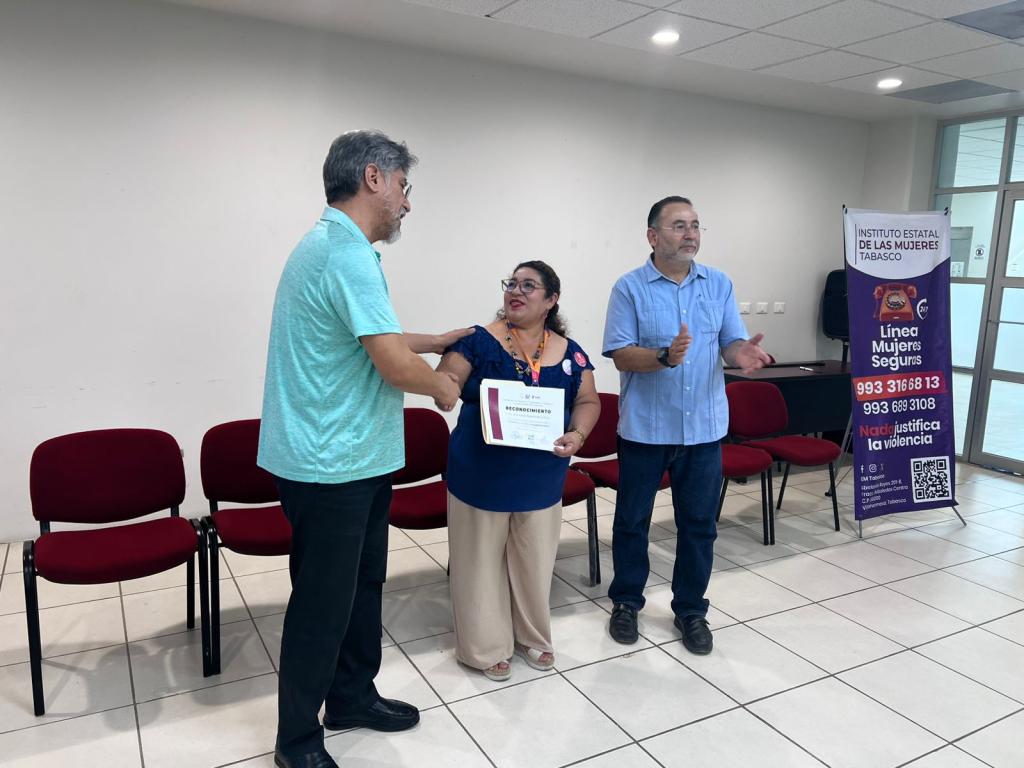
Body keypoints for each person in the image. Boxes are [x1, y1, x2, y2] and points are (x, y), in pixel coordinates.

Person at [257, 129, 469, 768]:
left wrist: (437, 339)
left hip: (357, 459)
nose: (407, 203)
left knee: (361, 587)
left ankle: (351, 696)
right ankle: (296, 741)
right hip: (331, 466)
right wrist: (446, 385)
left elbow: (374, 334)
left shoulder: (339, 248)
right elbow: (392, 365)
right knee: (322, 605)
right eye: (403, 186)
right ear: (373, 178)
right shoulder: (343, 253)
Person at [601, 196, 770, 655]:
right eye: (678, 225)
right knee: (632, 522)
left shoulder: (718, 284)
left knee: (699, 526)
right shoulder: (629, 287)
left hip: (704, 431)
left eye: (695, 225)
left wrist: (740, 353)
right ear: (653, 236)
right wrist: (664, 356)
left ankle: (691, 610)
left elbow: (730, 342)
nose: (690, 233)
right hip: (645, 431)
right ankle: (626, 603)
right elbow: (620, 354)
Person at [436, 261, 600, 681]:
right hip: (480, 474)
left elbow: (588, 401)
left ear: (551, 300)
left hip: (541, 477)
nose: (516, 291)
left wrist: (578, 434)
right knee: (478, 564)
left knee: (533, 562)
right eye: (512, 283)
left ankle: (531, 636)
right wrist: (445, 386)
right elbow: (449, 377)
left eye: (529, 286)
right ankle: (484, 647)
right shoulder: (477, 340)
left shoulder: (570, 352)